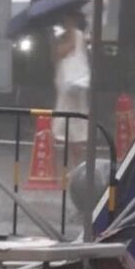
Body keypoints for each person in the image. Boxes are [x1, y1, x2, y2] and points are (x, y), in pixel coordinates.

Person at [53, 9, 90, 163]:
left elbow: (67, 52)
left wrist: (68, 40)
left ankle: (77, 163)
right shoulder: (61, 36)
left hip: (76, 88)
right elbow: (55, 56)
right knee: (63, 126)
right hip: (65, 87)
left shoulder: (79, 36)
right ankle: (68, 164)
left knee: (75, 126)